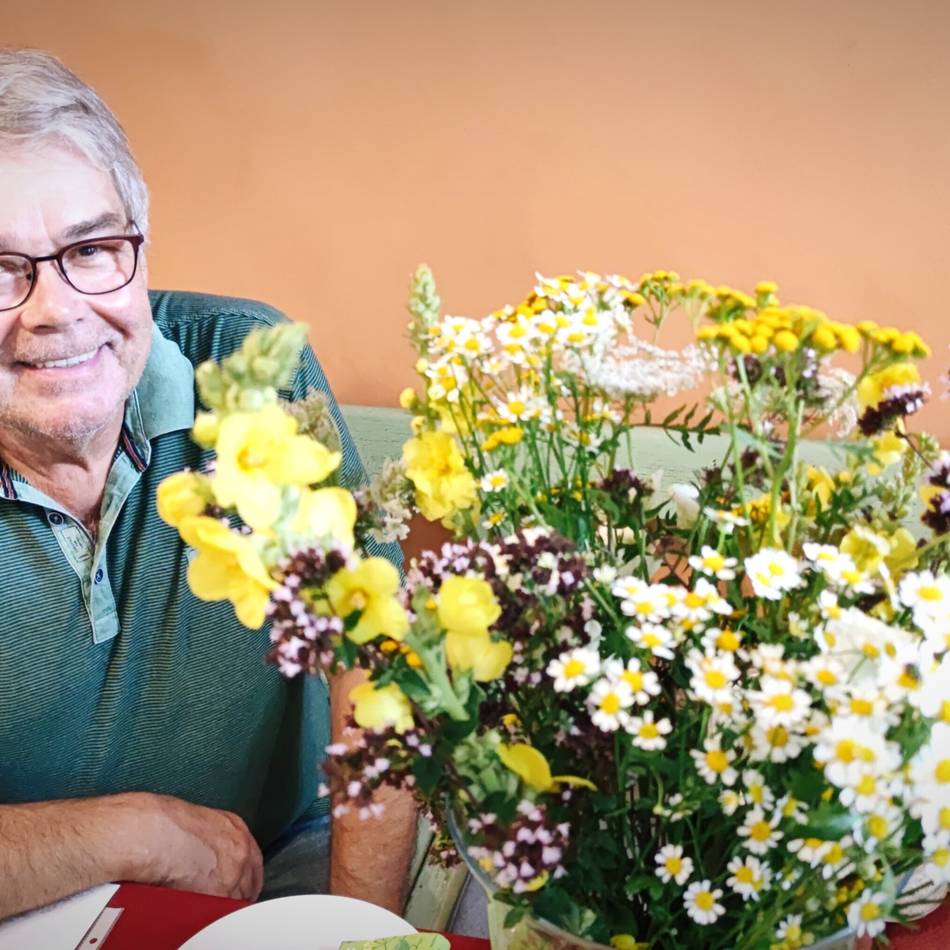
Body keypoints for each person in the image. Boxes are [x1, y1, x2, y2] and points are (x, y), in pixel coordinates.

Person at [0, 48, 416, 922]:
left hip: (281, 862)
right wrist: (133, 833)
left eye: (93, 247)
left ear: (139, 246)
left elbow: (377, 670)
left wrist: (355, 935)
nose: (56, 308)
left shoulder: (250, 367)